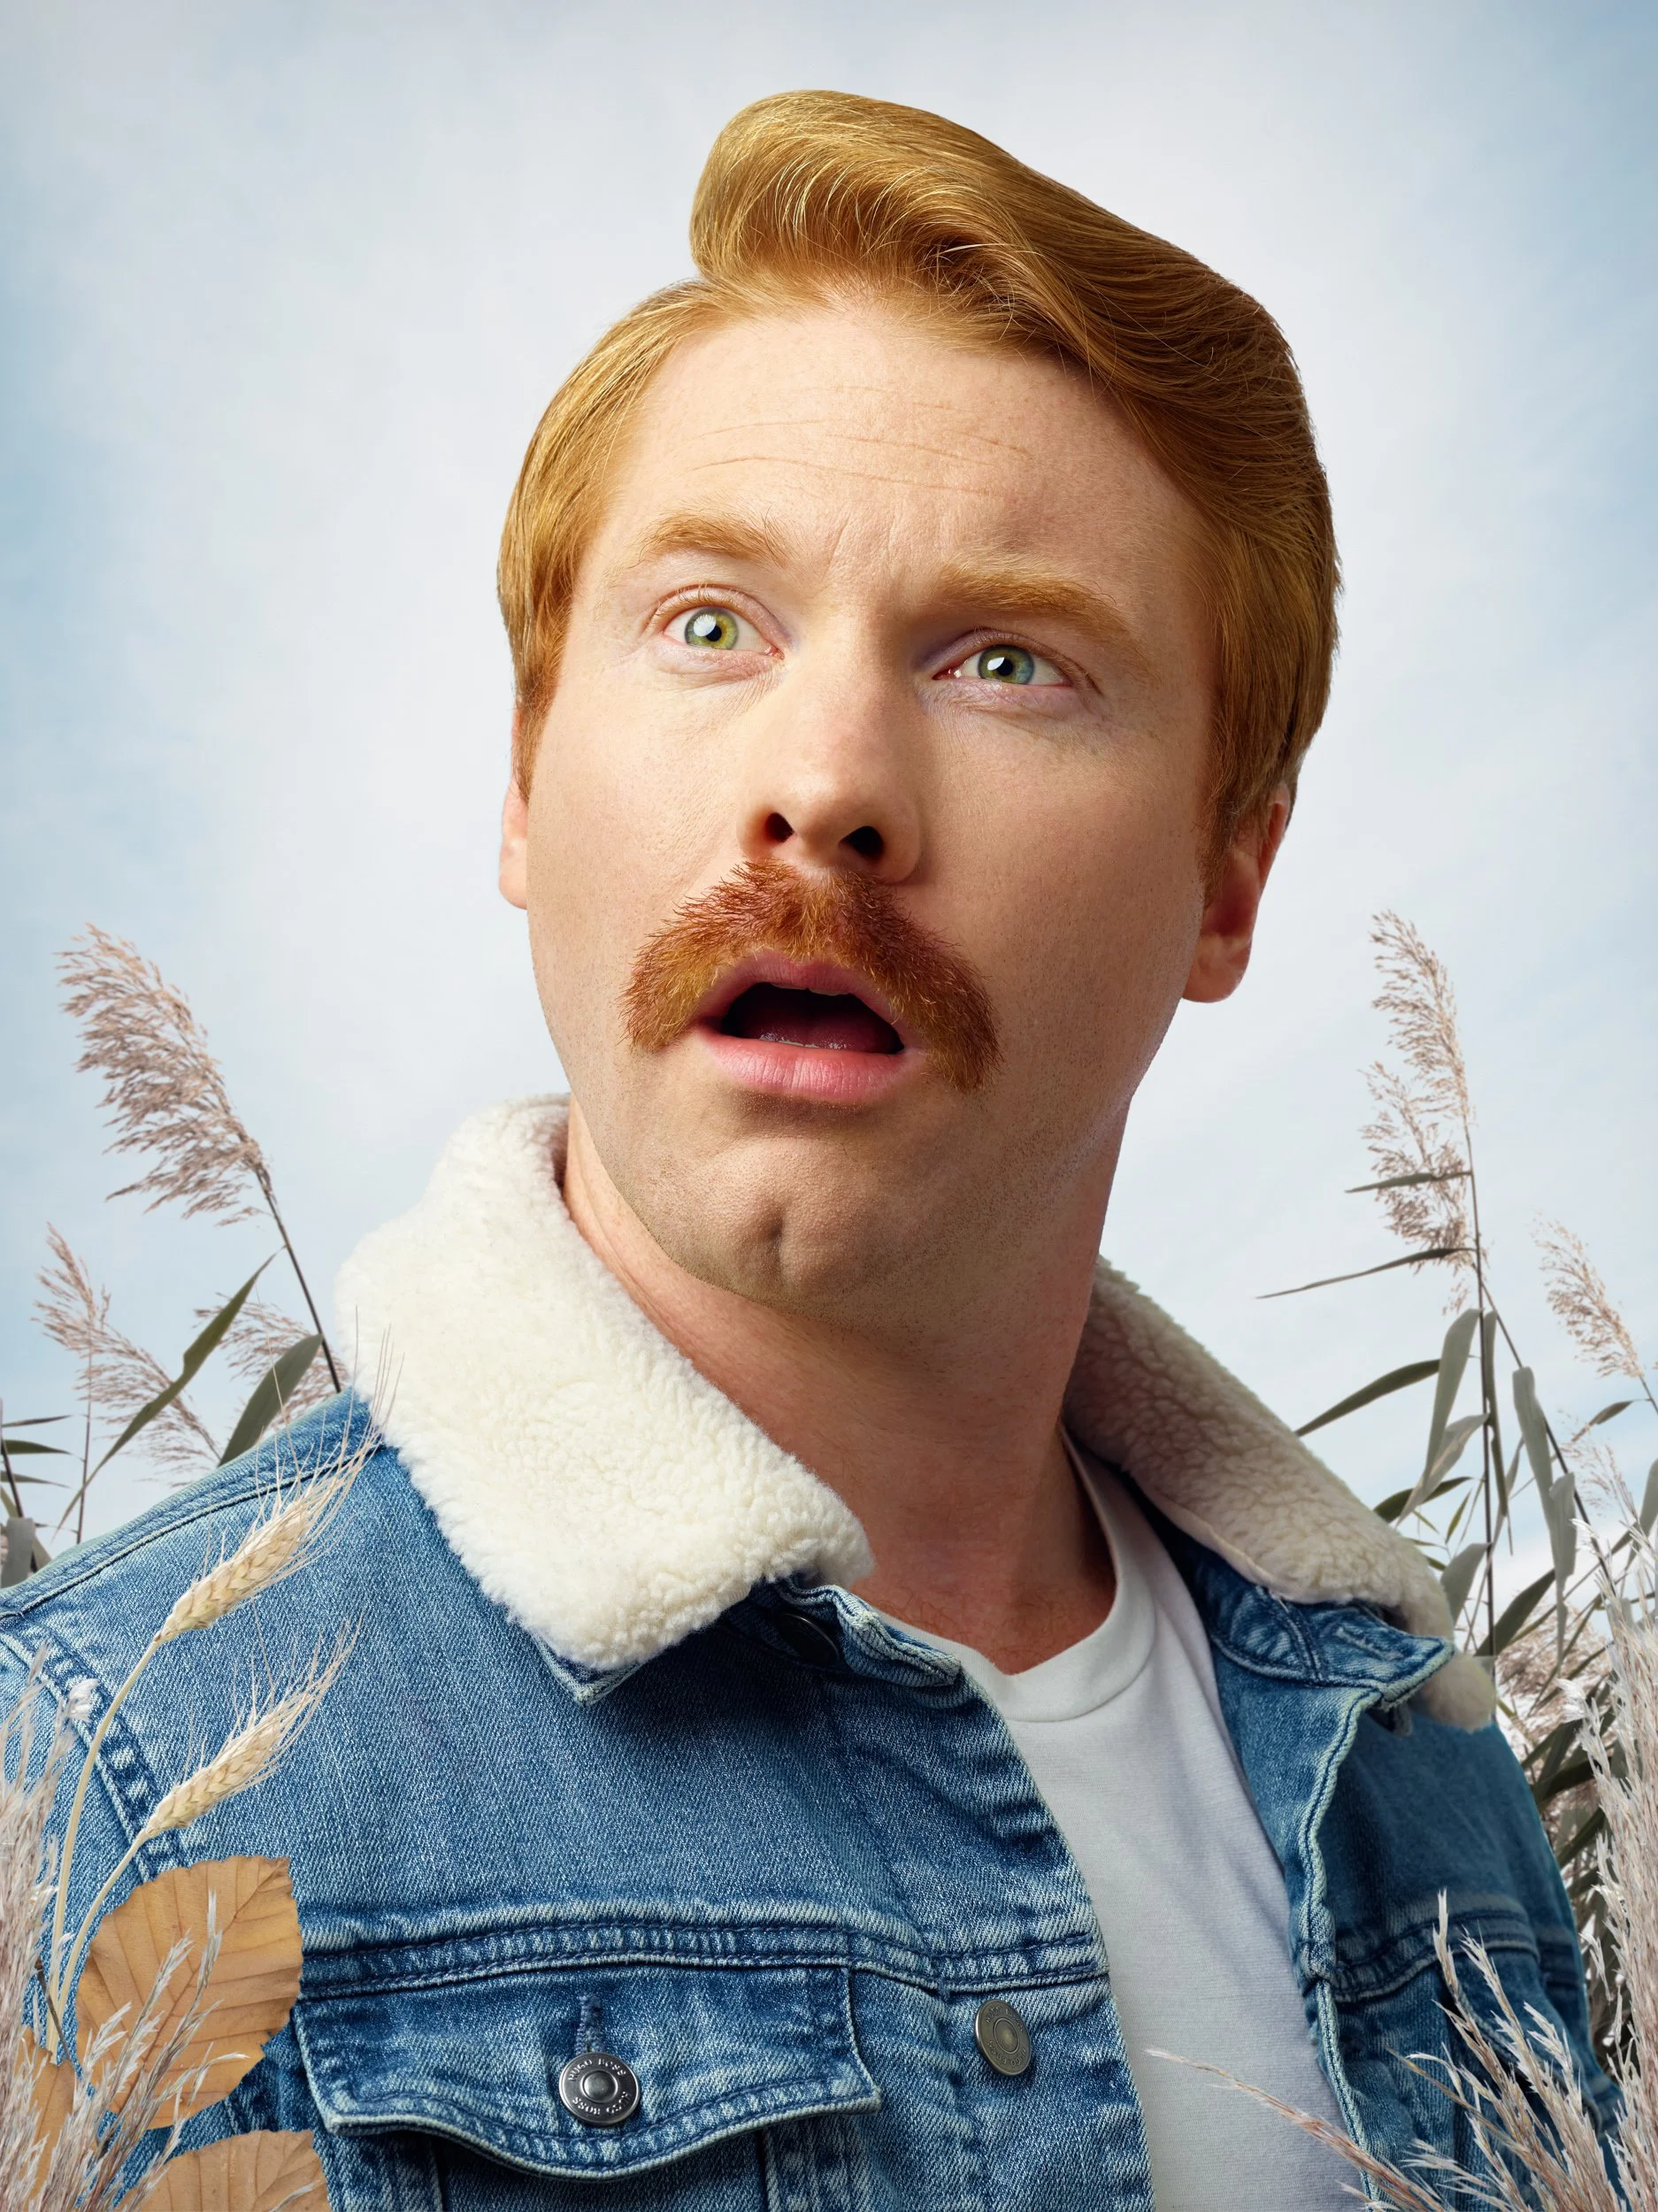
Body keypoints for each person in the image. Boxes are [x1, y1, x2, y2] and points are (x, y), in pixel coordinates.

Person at [1, 90, 1608, 2210]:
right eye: (709, 625)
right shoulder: (101, 1780)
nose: (827, 781)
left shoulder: (1425, 1780)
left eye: (1007, 661)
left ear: (1229, 878)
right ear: (522, 781)